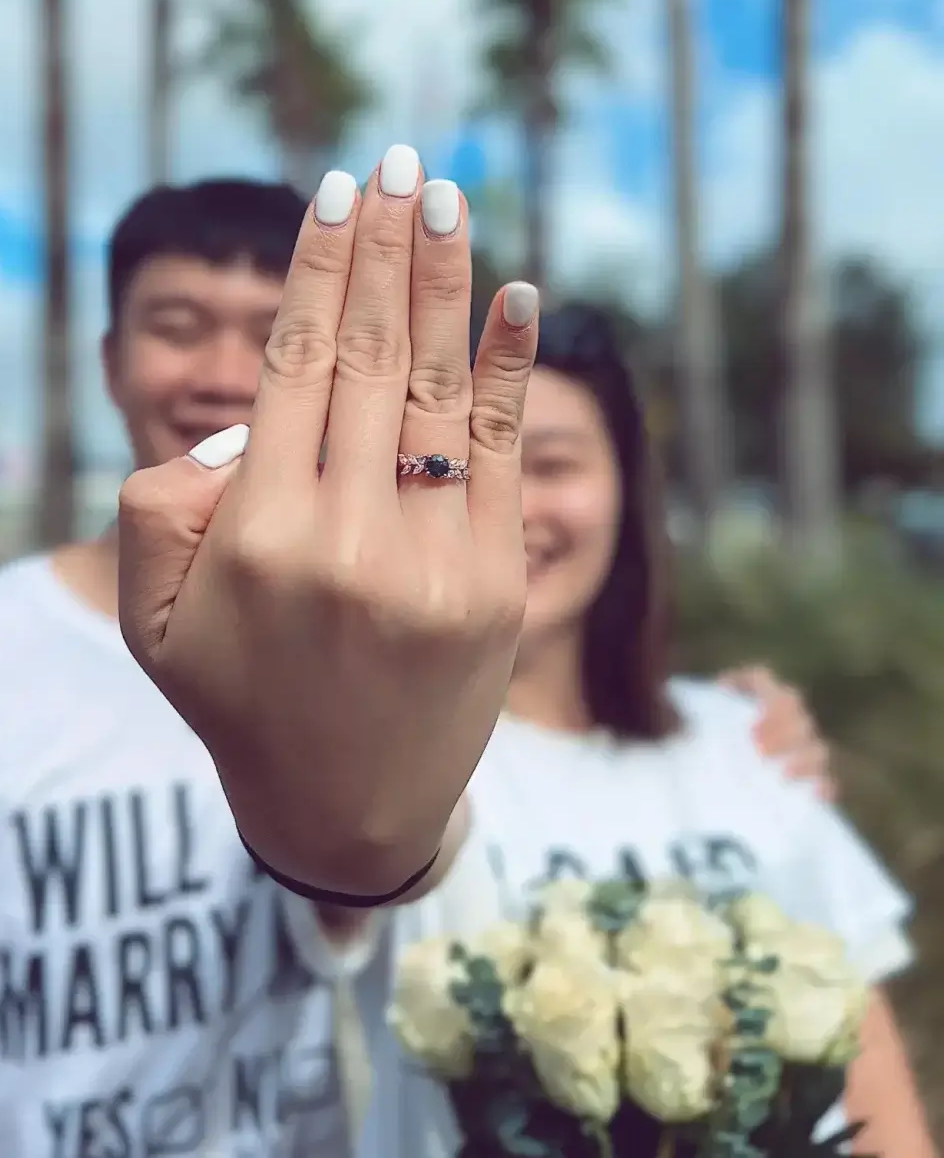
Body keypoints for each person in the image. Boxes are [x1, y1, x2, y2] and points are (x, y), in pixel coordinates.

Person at [0, 160, 829, 1158]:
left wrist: (723, 729)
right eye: (176, 327)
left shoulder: (400, 634)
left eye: (273, 332)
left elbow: (464, 824)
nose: (222, 375)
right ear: (111, 361)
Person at [283, 305, 935, 1157]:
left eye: (553, 464)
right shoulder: (387, 765)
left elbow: (866, 1067)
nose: (509, 504)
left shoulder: (745, 740)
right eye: (461, 466)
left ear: (627, 486)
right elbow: (363, 852)